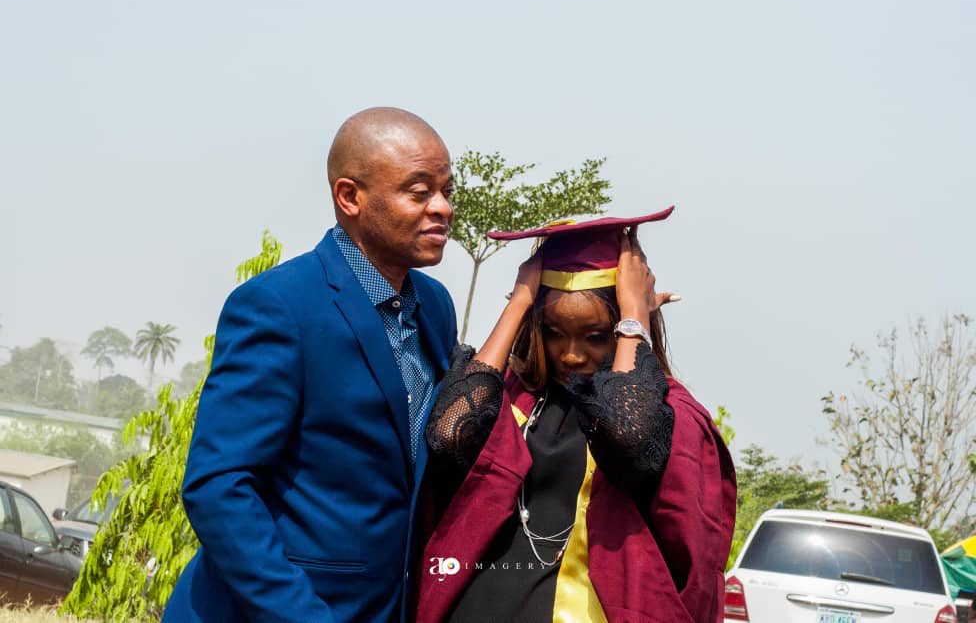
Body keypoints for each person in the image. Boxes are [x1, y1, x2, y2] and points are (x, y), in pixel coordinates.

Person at [163, 107, 458, 623]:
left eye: (447, 191)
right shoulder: (279, 306)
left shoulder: (435, 306)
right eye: (419, 192)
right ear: (350, 197)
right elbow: (219, 486)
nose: (442, 208)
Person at [414, 212, 736, 623]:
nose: (570, 354)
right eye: (553, 331)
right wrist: (520, 301)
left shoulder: (669, 415)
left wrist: (635, 318)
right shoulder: (511, 396)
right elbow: (448, 438)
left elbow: (629, 441)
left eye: (595, 336)